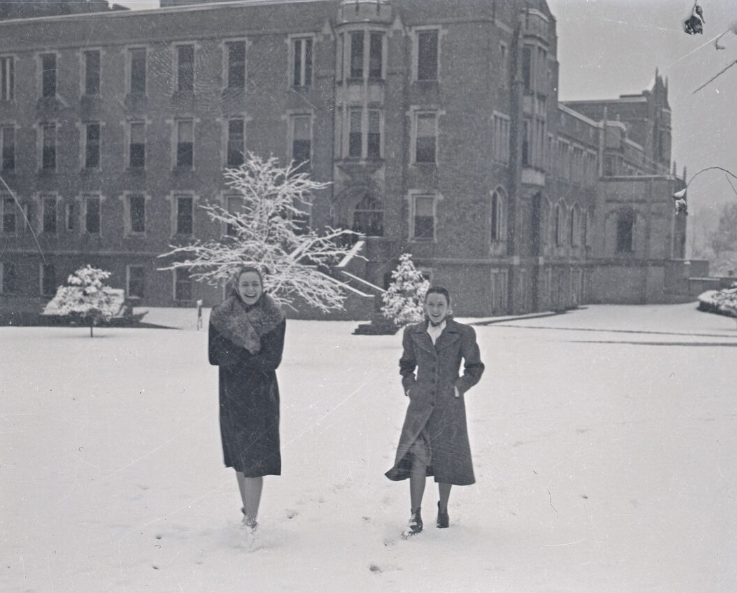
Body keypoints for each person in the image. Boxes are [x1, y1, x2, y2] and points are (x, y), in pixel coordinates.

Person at [385, 286, 485, 536]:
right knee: (417, 457)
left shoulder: (463, 333)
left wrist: (458, 388)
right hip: (419, 408)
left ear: (449, 307)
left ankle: (443, 508)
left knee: (445, 459)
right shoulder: (413, 333)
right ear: (424, 306)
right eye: (431, 304)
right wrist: (410, 388)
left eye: (440, 305)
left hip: (448, 407)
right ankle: (415, 514)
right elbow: (406, 366)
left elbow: (474, 368)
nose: (435, 310)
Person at [208, 266, 286, 536]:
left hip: (260, 396)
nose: (250, 289)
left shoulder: (275, 316)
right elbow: (214, 355)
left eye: (255, 284)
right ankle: (248, 510)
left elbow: (271, 360)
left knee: (255, 457)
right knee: (240, 456)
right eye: (245, 285)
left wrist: (238, 352)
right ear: (237, 286)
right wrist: (248, 350)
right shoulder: (220, 315)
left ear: (262, 286)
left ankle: (251, 520)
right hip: (231, 395)